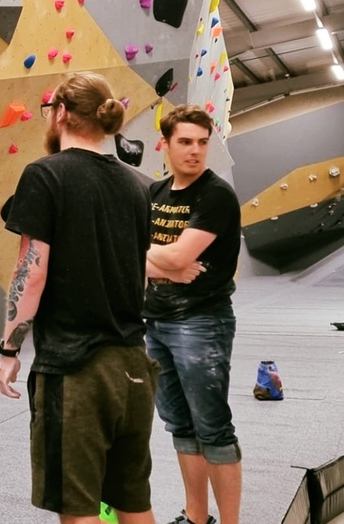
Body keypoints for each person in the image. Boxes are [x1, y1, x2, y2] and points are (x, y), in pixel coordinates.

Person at [0, 72, 200, 524]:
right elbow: (134, 268)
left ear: (61, 113)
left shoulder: (44, 175)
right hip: (132, 367)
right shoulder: (135, 186)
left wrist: (9, 348)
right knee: (133, 503)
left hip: (75, 370)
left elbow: (31, 273)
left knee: (80, 507)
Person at [144, 104, 242, 524]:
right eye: (185, 142)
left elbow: (182, 254)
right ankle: (197, 518)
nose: (195, 151)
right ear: (164, 145)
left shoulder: (216, 195)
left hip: (202, 322)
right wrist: (162, 262)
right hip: (157, 323)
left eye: (203, 143)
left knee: (213, 428)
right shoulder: (154, 194)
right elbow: (125, 254)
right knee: (179, 426)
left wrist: (154, 256)